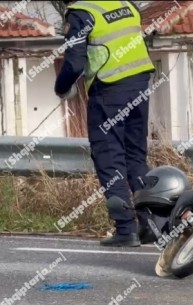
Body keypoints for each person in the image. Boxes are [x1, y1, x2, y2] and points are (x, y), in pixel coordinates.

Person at [55, 0, 155, 247]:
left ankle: (125, 229)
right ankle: (151, 224)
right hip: (140, 86)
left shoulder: (82, 12)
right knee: (135, 157)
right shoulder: (127, 5)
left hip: (109, 91)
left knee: (109, 159)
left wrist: (61, 87)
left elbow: (75, 61)